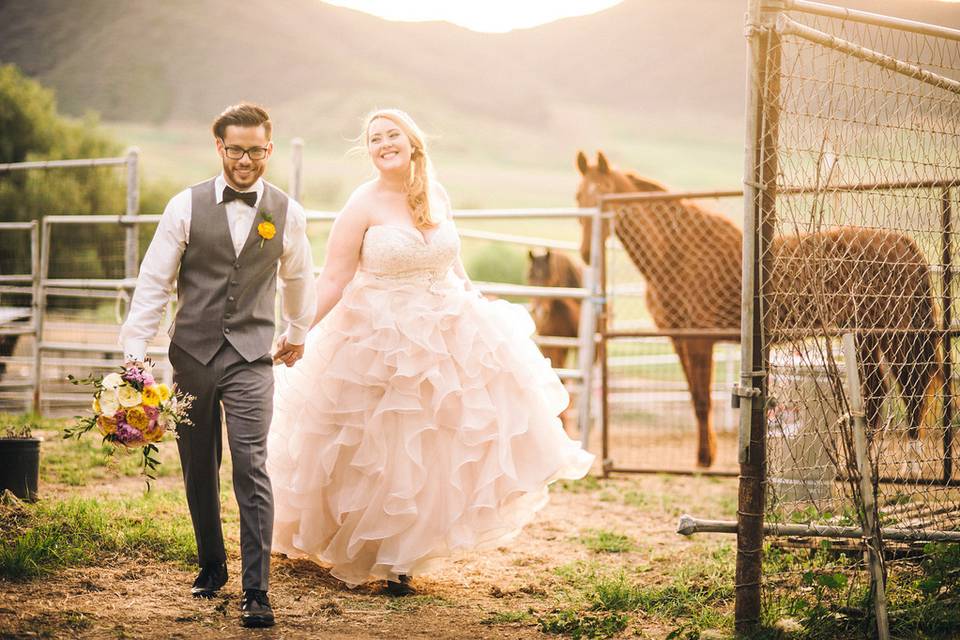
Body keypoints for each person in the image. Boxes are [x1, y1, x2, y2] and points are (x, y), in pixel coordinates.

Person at [267, 108, 594, 595]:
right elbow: (334, 277)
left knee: (434, 446)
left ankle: (404, 557)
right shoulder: (362, 204)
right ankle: (370, 548)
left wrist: (478, 311)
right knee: (379, 446)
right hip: (376, 336)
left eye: (391, 134)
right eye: (374, 138)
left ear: (412, 141)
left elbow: (453, 263)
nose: (383, 143)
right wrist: (299, 330)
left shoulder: (435, 194)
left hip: (442, 329)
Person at [120, 103, 316, 628]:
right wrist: (134, 353)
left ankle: (257, 589)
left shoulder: (286, 211)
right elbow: (154, 281)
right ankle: (211, 565)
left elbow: (299, 279)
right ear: (220, 148)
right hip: (192, 354)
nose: (246, 159)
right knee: (198, 464)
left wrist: (297, 332)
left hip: (252, 356)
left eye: (256, 149)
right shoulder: (183, 207)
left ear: (269, 149)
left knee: (251, 465)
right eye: (236, 149)